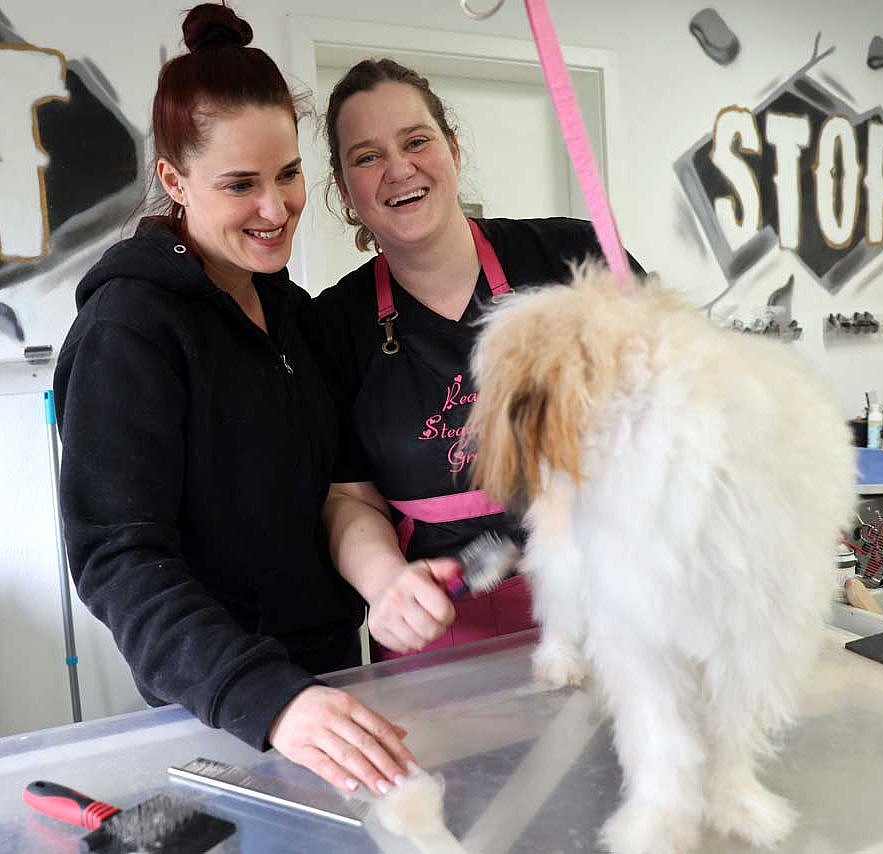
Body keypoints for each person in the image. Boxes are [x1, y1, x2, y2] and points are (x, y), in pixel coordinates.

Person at [53, 6, 413, 798]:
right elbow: (120, 560)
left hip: (332, 678)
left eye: (287, 175)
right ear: (176, 183)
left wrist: (384, 581)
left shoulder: (291, 313)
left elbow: (332, 489)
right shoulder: (131, 329)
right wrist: (270, 699)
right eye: (240, 185)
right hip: (227, 705)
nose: (275, 209)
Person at [310, 58, 644, 660]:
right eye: (366, 157)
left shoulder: (574, 258)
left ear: (453, 150)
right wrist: (387, 584)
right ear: (343, 189)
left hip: (605, 610)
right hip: (439, 637)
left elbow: (678, 406)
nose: (398, 169)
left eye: (416, 141)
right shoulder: (333, 326)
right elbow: (348, 498)